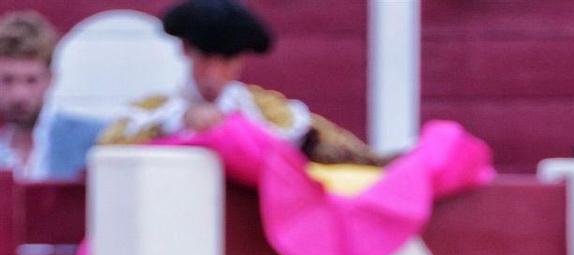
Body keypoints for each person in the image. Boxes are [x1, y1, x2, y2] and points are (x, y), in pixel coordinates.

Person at [101, 0, 382, 164]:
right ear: (186, 50)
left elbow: (331, 145)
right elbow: (107, 148)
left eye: (226, 61)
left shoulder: (271, 111)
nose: (214, 72)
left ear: (241, 60)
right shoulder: (155, 112)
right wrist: (180, 120)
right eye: (207, 58)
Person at [0, 11, 102, 180]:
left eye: (31, 80)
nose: (19, 94)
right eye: (7, 80)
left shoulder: (93, 140)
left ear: (50, 79)